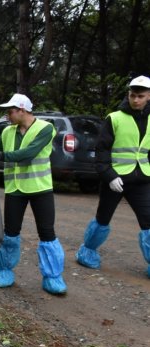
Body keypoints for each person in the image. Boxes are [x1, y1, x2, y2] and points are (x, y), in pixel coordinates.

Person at [0, 93, 66, 295]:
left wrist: (0, 155)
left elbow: (29, 154)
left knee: (47, 233)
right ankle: (3, 270)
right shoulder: (7, 132)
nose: (7, 115)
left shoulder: (45, 128)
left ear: (22, 110)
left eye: (10, 111)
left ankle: (53, 277)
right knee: (10, 233)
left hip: (40, 188)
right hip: (15, 189)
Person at [76, 75, 150, 278]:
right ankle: (87, 251)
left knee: (148, 221)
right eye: (132, 95)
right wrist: (109, 176)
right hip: (115, 180)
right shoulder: (115, 118)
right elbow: (101, 151)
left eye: (140, 96)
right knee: (103, 219)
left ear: (149, 96)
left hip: (142, 179)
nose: (136, 100)